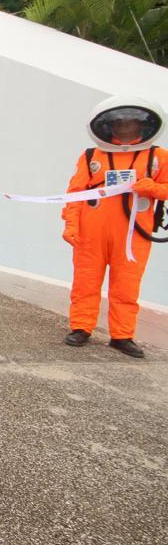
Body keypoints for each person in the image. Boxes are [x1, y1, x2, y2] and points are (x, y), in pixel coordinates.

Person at [62, 96, 168, 358]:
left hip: (133, 235)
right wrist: (71, 224)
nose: (124, 128)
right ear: (109, 126)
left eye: (130, 123)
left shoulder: (157, 157)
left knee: (126, 285)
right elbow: (75, 193)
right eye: (119, 124)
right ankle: (81, 327)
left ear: (141, 126)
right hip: (91, 231)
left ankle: (122, 334)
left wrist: (151, 188)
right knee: (85, 282)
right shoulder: (91, 157)